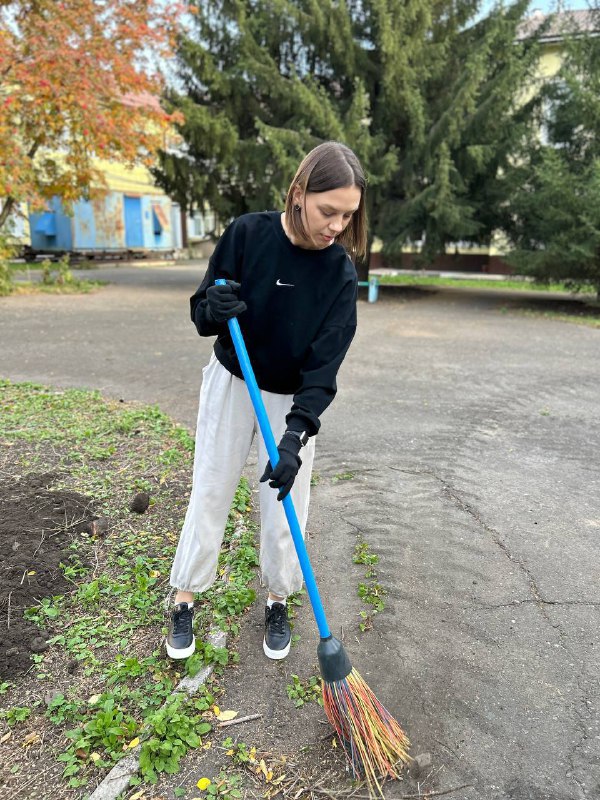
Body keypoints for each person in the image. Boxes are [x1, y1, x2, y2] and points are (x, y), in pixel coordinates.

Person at [167, 141, 367, 661]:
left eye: (348, 215)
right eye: (329, 211)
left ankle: (278, 598)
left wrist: (296, 435)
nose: (336, 226)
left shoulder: (339, 274)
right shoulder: (248, 234)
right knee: (211, 486)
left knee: (286, 507)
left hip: (289, 398)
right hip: (235, 380)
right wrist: (213, 306)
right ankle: (185, 595)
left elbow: (324, 368)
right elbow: (200, 314)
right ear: (299, 193)